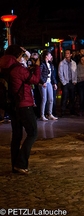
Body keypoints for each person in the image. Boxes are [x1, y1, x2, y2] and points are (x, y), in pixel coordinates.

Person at [0, 45, 41, 174]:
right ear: (17, 55)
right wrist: (37, 66)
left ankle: (15, 165)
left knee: (16, 136)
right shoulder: (18, 68)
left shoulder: (4, 67)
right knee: (33, 133)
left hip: (12, 105)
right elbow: (35, 79)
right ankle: (21, 163)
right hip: (24, 103)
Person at [38, 50, 58, 121]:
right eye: (50, 55)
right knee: (44, 99)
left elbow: (52, 75)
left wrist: (54, 83)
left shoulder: (51, 64)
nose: (51, 56)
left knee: (51, 99)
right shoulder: (42, 64)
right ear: (46, 56)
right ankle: (42, 115)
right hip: (43, 83)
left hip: (49, 82)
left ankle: (50, 114)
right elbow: (39, 74)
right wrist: (43, 82)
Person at [58, 49, 78, 116]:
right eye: (66, 53)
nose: (67, 54)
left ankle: (72, 110)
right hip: (66, 82)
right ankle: (63, 111)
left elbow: (75, 72)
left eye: (68, 53)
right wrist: (63, 82)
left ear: (71, 54)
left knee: (72, 98)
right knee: (64, 97)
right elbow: (60, 73)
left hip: (72, 82)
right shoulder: (62, 63)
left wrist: (75, 80)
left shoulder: (73, 63)